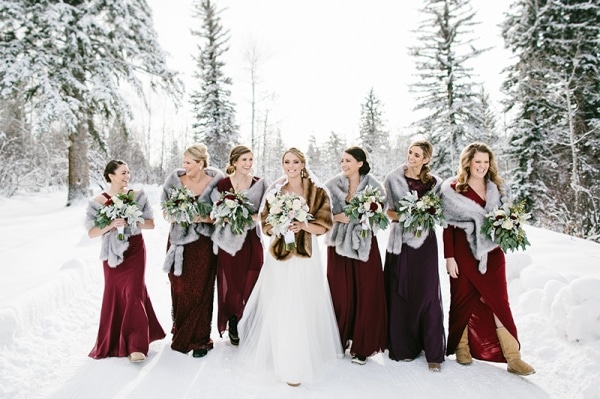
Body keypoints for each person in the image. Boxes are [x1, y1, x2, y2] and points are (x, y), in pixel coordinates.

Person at [237, 147, 343, 387]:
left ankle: (300, 359)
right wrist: (280, 225)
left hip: (305, 256)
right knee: (281, 301)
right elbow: (265, 225)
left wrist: (303, 225)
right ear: (282, 164)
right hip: (279, 255)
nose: (291, 166)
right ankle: (283, 356)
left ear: (303, 164)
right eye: (287, 162)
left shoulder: (317, 192)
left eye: (296, 162)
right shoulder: (276, 191)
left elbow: (324, 226)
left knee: (302, 302)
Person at [440, 142, 535, 376]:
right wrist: (449, 257)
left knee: (498, 301)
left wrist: (510, 229)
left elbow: (507, 218)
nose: (482, 166)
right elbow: (448, 228)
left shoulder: (498, 189)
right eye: (477, 162)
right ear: (468, 163)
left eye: (486, 161)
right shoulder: (453, 189)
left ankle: (513, 357)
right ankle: (462, 348)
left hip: (492, 254)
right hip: (463, 253)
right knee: (462, 299)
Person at [85, 160, 165, 363]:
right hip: (112, 252)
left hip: (135, 250)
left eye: (128, 172)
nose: (127, 176)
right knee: (115, 292)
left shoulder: (137, 196)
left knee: (135, 291)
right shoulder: (99, 201)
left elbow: (151, 224)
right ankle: (113, 340)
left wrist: (133, 220)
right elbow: (92, 232)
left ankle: (137, 345)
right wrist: (111, 224)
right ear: (110, 175)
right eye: (123, 172)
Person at [383, 141, 446, 372]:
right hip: (400, 241)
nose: (411, 157)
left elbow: (440, 212)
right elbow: (387, 210)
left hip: (425, 243)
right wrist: (406, 214)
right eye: (410, 152)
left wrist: (425, 214)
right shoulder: (393, 178)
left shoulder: (435, 183)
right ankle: (404, 347)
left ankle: (433, 352)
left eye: (417, 154)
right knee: (402, 290)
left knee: (428, 292)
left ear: (426, 159)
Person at [324, 146, 387, 365]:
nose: (344, 164)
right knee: (340, 292)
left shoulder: (374, 186)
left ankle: (363, 346)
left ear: (360, 163)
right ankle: (338, 339)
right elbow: (322, 213)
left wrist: (361, 218)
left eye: (348, 160)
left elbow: (381, 215)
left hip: (364, 244)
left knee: (367, 291)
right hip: (338, 244)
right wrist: (336, 218)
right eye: (342, 160)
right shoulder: (332, 185)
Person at [162, 144, 224, 358]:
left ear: (200, 163)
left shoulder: (216, 182)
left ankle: (200, 339)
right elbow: (165, 213)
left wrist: (202, 217)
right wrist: (180, 213)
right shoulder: (175, 181)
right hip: (179, 242)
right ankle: (180, 328)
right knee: (179, 287)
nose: (184, 166)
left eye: (188, 162)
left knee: (201, 289)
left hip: (204, 244)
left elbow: (221, 213)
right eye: (184, 162)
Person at [211, 145, 269, 346]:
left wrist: (250, 217)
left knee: (252, 278)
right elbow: (214, 211)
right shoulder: (222, 184)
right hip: (229, 241)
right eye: (244, 159)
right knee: (232, 282)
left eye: (251, 159)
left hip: (252, 240)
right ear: (234, 162)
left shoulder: (260, 183)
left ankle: (250, 321)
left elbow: (267, 212)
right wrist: (225, 216)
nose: (248, 164)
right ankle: (233, 321)